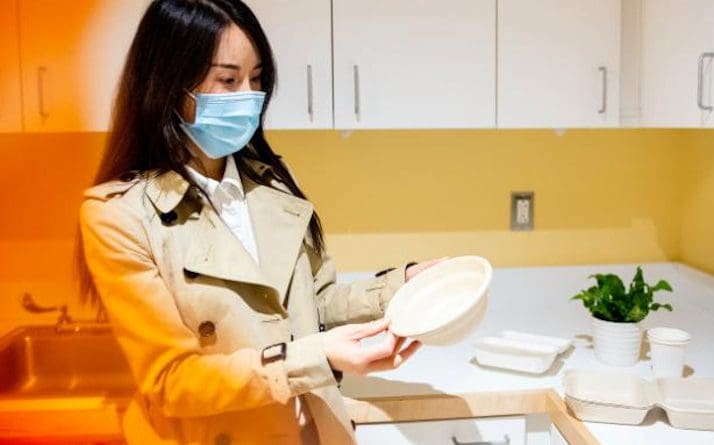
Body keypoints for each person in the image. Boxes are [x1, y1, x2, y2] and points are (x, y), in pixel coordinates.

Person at [76, 1, 441, 443]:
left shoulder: (272, 184)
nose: (248, 96)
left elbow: (312, 307)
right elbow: (173, 381)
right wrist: (313, 359)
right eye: (228, 80)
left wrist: (401, 288)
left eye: (258, 79)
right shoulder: (118, 214)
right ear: (169, 85)